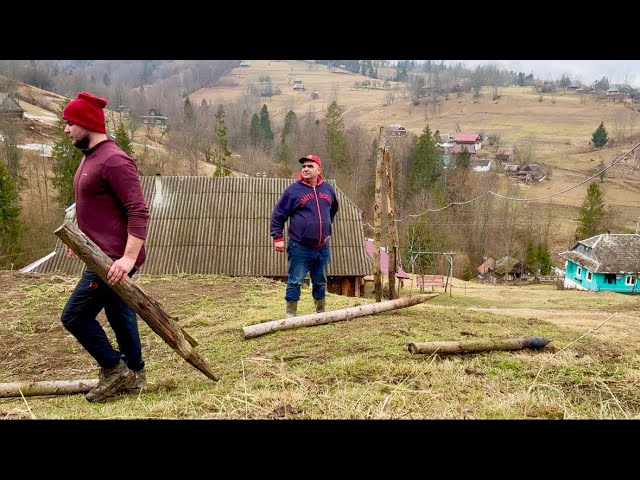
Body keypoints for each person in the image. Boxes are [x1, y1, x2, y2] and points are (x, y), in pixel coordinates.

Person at [59, 92, 150, 403]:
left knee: (74, 316)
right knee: (118, 312)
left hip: (113, 258)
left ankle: (115, 370)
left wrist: (127, 258)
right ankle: (135, 375)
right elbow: (95, 208)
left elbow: (138, 210)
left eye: (70, 122)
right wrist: (80, 241)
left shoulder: (114, 159)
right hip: (99, 254)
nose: (66, 128)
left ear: (86, 122)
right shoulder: (90, 158)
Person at [270, 154, 339, 317]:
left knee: (320, 281)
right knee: (295, 281)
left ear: (319, 170)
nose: (306, 169)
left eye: (310, 166)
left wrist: (326, 227)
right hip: (300, 247)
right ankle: (291, 315)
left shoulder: (328, 189)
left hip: (322, 247)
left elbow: (333, 209)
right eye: (304, 167)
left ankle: (320, 312)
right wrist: (277, 238)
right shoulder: (293, 191)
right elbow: (278, 214)